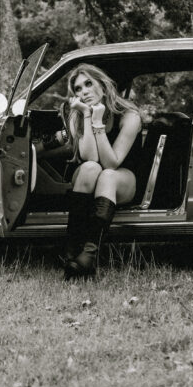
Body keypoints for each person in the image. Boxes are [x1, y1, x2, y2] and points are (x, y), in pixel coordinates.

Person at [62, 63, 142, 279]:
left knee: (106, 175)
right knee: (89, 168)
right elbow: (91, 158)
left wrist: (98, 123)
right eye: (78, 89)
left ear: (103, 85)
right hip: (92, 176)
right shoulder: (78, 114)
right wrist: (87, 116)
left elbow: (112, 163)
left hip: (123, 179)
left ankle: (89, 256)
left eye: (89, 83)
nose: (84, 91)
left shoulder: (129, 115)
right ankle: (72, 253)